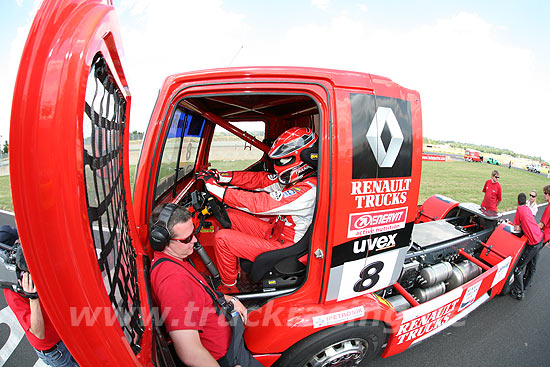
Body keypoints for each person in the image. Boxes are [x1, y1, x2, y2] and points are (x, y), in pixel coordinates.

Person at [197, 127, 317, 291]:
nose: (277, 166)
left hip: (284, 246)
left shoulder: (308, 190)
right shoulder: (296, 180)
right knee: (229, 215)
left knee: (222, 238)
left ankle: (229, 288)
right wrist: (221, 176)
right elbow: (260, 180)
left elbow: (262, 203)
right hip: (275, 232)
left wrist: (215, 189)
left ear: (304, 158)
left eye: (283, 161)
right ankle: (234, 268)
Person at [149, 204, 261, 367]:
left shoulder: (177, 259)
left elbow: (201, 295)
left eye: (193, 233)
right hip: (228, 357)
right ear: (161, 242)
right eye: (187, 239)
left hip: (231, 332)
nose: (194, 240)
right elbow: (190, 353)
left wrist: (230, 299)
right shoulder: (172, 281)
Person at [1, 226, 79, 367]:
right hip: (55, 350)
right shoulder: (12, 293)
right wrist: (33, 297)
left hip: (66, 333)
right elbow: (39, 333)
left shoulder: (36, 267)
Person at [510, 193, 544, 300]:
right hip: (540, 238)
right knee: (532, 266)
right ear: (526, 201)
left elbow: (516, 229)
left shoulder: (519, 210)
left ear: (517, 201)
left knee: (518, 268)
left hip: (533, 243)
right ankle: (526, 286)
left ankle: (519, 292)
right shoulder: (528, 209)